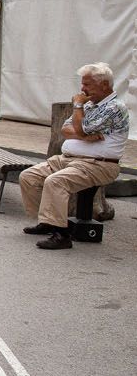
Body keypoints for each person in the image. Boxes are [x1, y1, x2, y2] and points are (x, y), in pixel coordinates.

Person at [19, 62, 129, 250]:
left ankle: (62, 236)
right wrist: (85, 136)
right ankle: (49, 222)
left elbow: (79, 127)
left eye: (87, 84)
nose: (82, 89)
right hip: (69, 160)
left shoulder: (114, 107)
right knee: (28, 177)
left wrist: (78, 109)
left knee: (56, 182)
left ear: (104, 85)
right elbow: (65, 129)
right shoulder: (89, 105)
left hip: (98, 165)